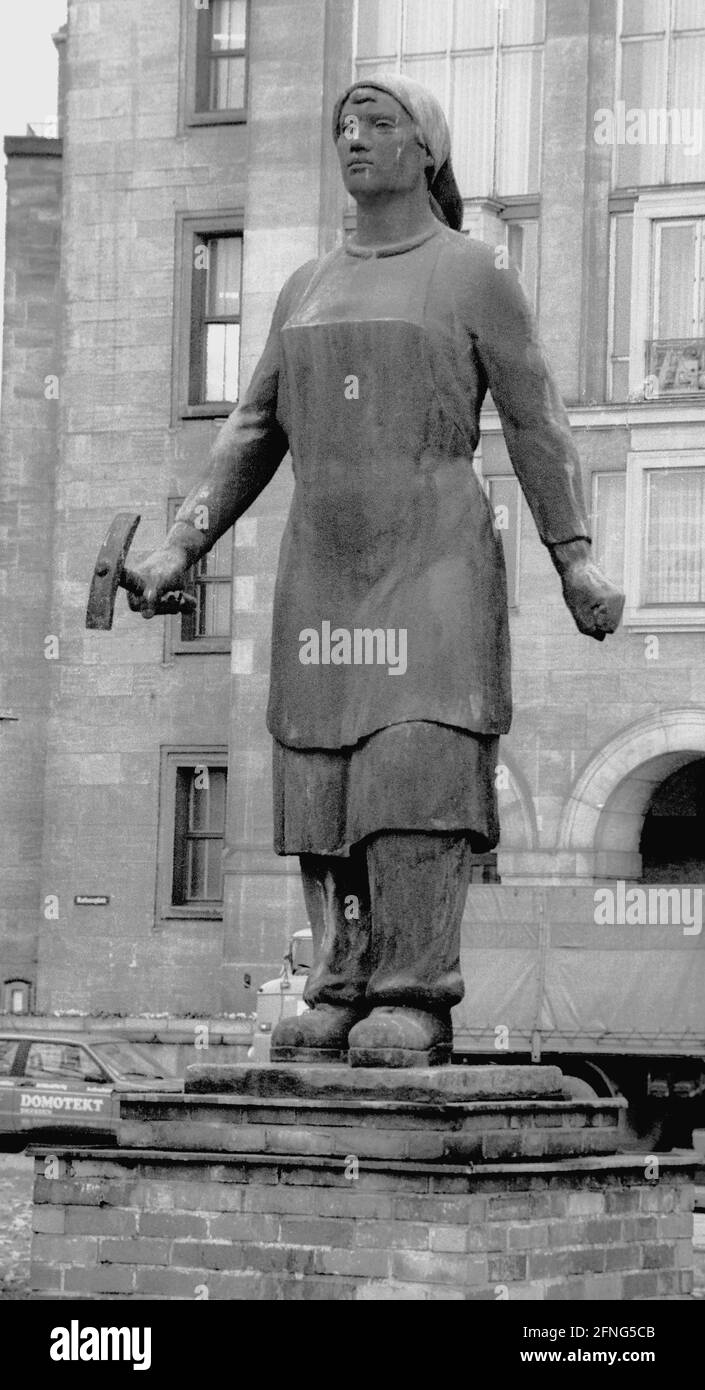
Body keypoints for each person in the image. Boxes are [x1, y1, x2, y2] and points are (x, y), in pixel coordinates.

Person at [126, 76, 624, 1067]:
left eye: (378, 122)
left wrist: (573, 556)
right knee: (322, 786)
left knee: (412, 779)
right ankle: (340, 984)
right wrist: (184, 540)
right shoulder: (306, 287)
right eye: (343, 122)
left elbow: (535, 416)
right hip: (322, 569)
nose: (353, 135)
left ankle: (415, 993)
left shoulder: (474, 271)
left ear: (425, 150)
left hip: (434, 563)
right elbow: (253, 426)